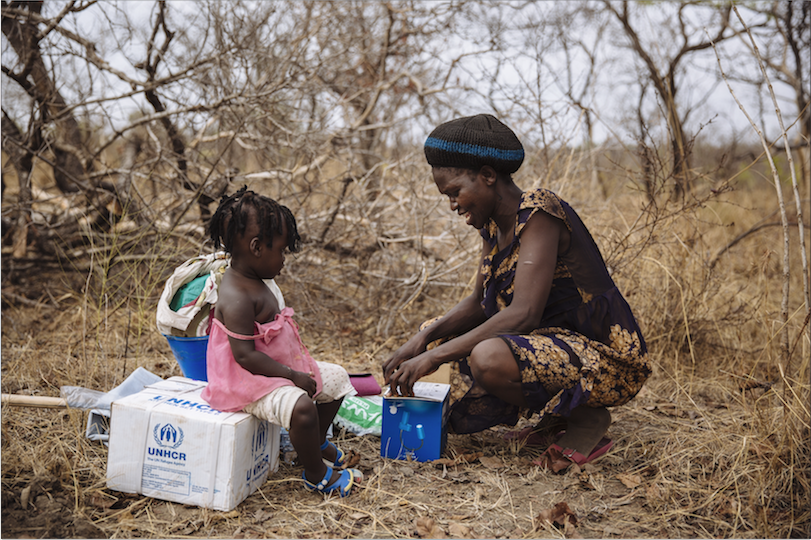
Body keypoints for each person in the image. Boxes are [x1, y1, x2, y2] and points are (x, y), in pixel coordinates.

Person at [382, 114, 651, 473]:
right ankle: (555, 420)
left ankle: (588, 419)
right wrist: (425, 338)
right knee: (438, 332)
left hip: (605, 360)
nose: (452, 205)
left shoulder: (540, 212)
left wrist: (436, 357)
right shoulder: (493, 227)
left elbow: (523, 313)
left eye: (454, 192)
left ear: (488, 175)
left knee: (487, 356)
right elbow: (480, 304)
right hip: (555, 347)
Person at [201, 187, 361, 497]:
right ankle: (316, 475)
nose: (284, 259)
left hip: (273, 371)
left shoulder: (261, 281)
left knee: (337, 379)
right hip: (245, 382)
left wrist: (294, 372)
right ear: (257, 247)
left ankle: (312, 443)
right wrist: (291, 377)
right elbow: (245, 356)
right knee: (302, 407)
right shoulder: (236, 297)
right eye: (282, 250)